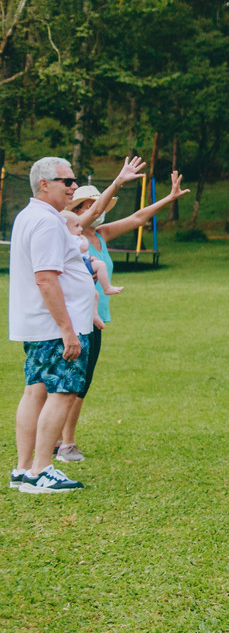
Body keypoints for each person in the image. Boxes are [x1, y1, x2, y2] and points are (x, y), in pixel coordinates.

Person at [9, 155, 143, 493]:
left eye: (72, 181)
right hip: (56, 328)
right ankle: (41, 470)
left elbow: (93, 214)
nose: (72, 186)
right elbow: (46, 279)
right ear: (44, 184)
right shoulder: (46, 222)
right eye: (66, 181)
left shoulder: (34, 217)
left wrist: (117, 182)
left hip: (41, 326)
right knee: (63, 392)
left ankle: (23, 469)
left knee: (35, 391)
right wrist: (68, 330)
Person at [55, 171, 190, 463]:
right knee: (76, 385)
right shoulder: (72, 233)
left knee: (78, 382)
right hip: (80, 319)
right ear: (78, 211)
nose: (97, 210)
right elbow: (96, 211)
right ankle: (66, 444)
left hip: (95, 318)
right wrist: (116, 182)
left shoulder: (100, 236)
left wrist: (168, 198)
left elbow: (139, 218)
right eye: (89, 205)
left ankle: (55, 437)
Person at [60, 210, 122, 328]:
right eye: (77, 226)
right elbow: (83, 248)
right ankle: (107, 287)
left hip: (82, 265)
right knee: (100, 265)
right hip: (79, 268)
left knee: (94, 294)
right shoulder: (72, 239)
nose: (80, 229)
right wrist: (83, 239)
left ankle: (94, 314)